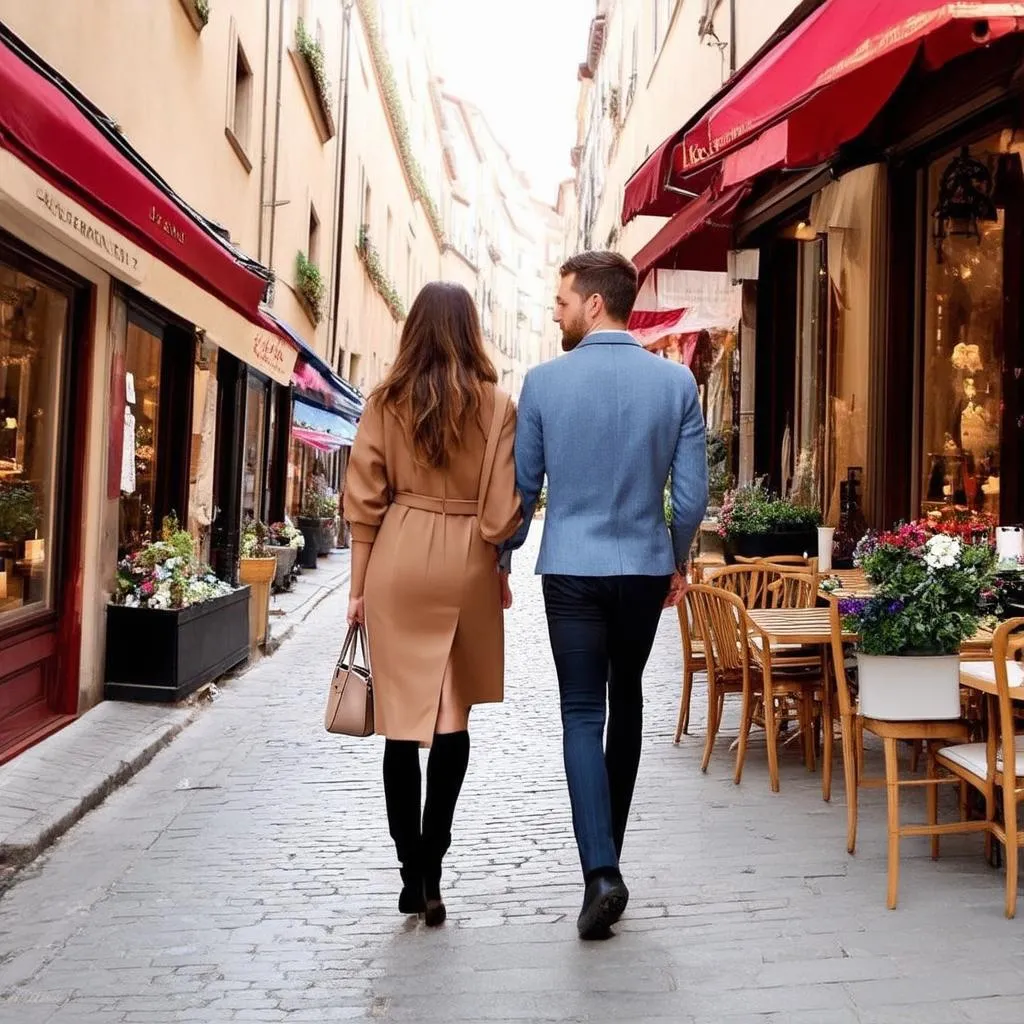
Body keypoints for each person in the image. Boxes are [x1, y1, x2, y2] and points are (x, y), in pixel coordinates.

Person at [504, 250, 708, 940]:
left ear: (595, 303)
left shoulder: (543, 384)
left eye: (562, 301)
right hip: (643, 568)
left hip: (571, 568)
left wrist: (501, 560)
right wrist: (675, 562)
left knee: (582, 713)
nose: (555, 312)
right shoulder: (676, 384)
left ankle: (600, 871)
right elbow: (692, 496)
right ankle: (609, 858)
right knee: (628, 701)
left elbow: (523, 490)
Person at [343, 281, 521, 928]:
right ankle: (435, 869)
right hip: (466, 562)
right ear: (471, 330)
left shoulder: (384, 400)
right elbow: (503, 513)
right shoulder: (497, 404)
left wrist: (358, 588)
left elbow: (363, 502)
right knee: (450, 719)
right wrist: (497, 555)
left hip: (396, 556)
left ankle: (407, 870)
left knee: (400, 722)